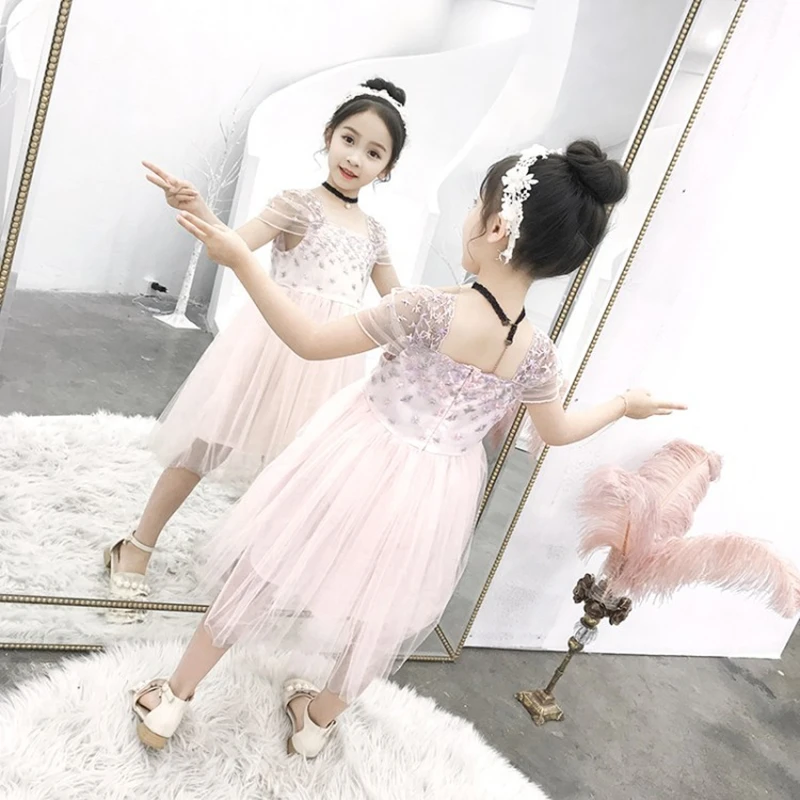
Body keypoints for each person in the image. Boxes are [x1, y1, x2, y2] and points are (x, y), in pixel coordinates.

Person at [130, 140, 686, 755]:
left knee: (267, 563)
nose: (469, 214)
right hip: (439, 490)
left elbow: (310, 341)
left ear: (496, 227)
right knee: (384, 605)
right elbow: (555, 433)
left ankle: (172, 701)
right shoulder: (538, 354)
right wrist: (624, 405)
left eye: (476, 203)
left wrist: (242, 259)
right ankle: (317, 724)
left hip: (357, 454)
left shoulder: (426, 309)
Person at [104, 78, 408, 605]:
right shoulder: (297, 205)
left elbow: (397, 304)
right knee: (205, 445)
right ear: (329, 135)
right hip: (266, 346)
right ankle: (137, 544)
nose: (356, 157)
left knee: (292, 470)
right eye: (349, 139)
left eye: (374, 152)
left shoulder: (376, 233)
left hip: (326, 361)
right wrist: (199, 208)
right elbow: (232, 246)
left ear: (387, 168)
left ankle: (257, 567)